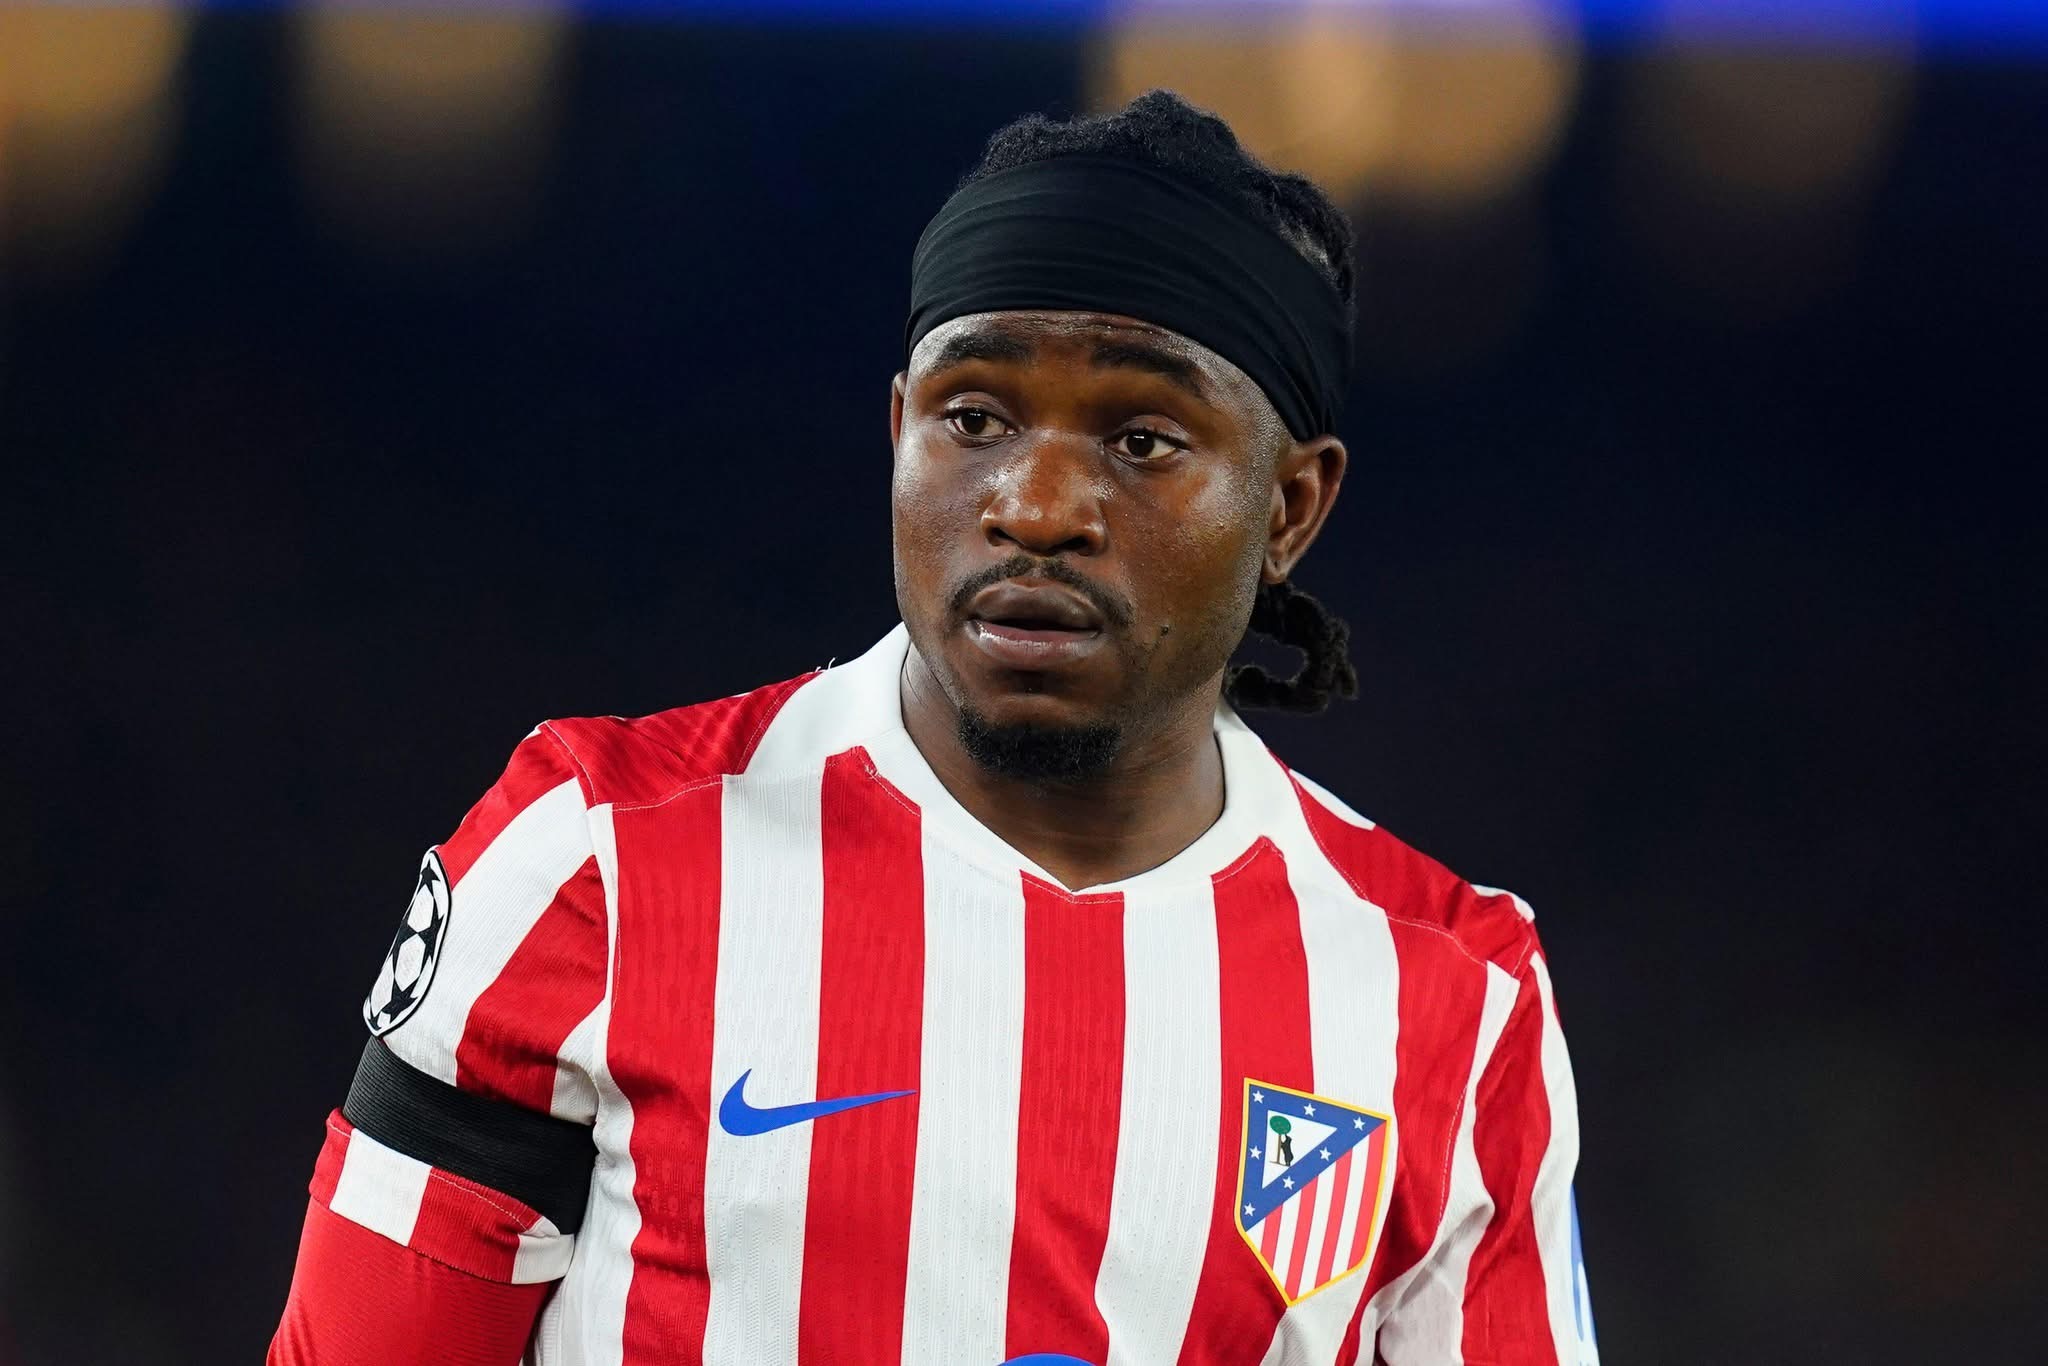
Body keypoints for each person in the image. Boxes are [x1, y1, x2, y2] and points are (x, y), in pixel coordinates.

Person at [270, 89, 1597, 1366]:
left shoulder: (1451, 998)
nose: (1035, 504)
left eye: (1142, 440)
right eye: (975, 417)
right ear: (900, 428)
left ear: (1290, 508)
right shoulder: (599, 859)